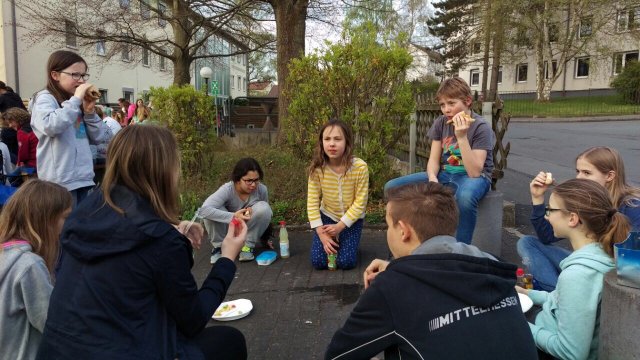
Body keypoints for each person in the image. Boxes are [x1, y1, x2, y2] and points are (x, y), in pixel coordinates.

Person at [37, 125, 247, 360]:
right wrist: (227, 258)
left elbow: (125, 233)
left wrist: (170, 226)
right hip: (123, 350)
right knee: (229, 342)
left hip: (57, 350)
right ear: (163, 172)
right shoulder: (160, 243)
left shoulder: (84, 212)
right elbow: (193, 320)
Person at [325, 182, 537, 360]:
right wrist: (397, 268)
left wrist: (392, 279)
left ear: (403, 231)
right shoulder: (491, 266)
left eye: (388, 225)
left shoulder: (391, 288)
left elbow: (337, 355)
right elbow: (448, 275)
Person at [516, 178, 630, 360]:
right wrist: (528, 294)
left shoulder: (577, 275)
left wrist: (517, 326)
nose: (546, 216)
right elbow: (564, 302)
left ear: (572, 218)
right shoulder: (604, 252)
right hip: (550, 322)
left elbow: (570, 353)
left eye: (550, 210)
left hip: (549, 340)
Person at [384, 77, 494, 245]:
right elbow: (433, 161)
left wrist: (461, 137)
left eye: (451, 103)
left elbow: (475, 172)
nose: (446, 110)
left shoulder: (481, 127)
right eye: (442, 105)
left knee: (465, 198)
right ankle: (407, 242)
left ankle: (459, 253)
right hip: (445, 175)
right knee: (392, 187)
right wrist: (433, 179)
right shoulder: (441, 123)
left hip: (473, 178)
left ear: (468, 101)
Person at [517, 146, 640, 291]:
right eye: (578, 171)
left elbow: (632, 269)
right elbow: (547, 237)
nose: (579, 177)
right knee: (528, 243)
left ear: (610, 176)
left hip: (611, 273)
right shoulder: (585, 198)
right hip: (585, 262)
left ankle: (560, 295)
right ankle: (560, 293)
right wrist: (537, 198)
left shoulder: (632, 207)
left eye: (587, 172)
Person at [0, 180, 73, 360]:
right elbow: (53, 325)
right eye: (65, 218)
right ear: (46, 220)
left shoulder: (5, 254)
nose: (68, 225)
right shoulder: (30, 266)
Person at [30, 50, 112, 205]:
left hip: (84, 178)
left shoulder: (74, 103)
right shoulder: (44, 98)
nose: (81, 81)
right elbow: (50, 126)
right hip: (59, 182)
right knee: (63, 227)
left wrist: (89, 113)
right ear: (55, 75)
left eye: (83, 75)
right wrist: (75, 101)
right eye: (75, 75)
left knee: (81, 227)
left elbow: (98, 137)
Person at [308, 119, 369, 270]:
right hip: (327, 216)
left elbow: (360, 202)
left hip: (351, 220)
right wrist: (321, 233)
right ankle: (337, 240)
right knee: (318, 262)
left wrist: (341, 226)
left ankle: (348, 241)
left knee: (346, 262)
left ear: (347, 142)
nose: (332, 144)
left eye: (337, 139)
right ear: (321, 143)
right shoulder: (317, 169)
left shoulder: (360, 167)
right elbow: (312, 201)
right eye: (327, 139)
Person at [200, 157, 273, 263]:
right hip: (227, 230)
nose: (253, 184)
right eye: (248, 181)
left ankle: (247, 247)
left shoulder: (261, 190)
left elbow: (264, 217)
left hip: (245, 229)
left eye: (256, 180)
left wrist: (265, 239)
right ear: (238, 179)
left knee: (264, 207)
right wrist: (234, 216)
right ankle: (220, 248)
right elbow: (203, 211)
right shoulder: (227, 190)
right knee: (211, 210)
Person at [4, 107, 38, 174]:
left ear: (17, 119)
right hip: (41, 162)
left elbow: (23, 154)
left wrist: (18, 163)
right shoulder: (34, 125)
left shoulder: (22, 132)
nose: (10, 126)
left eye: (11, 122)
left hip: (32, 165)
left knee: (11, 179)